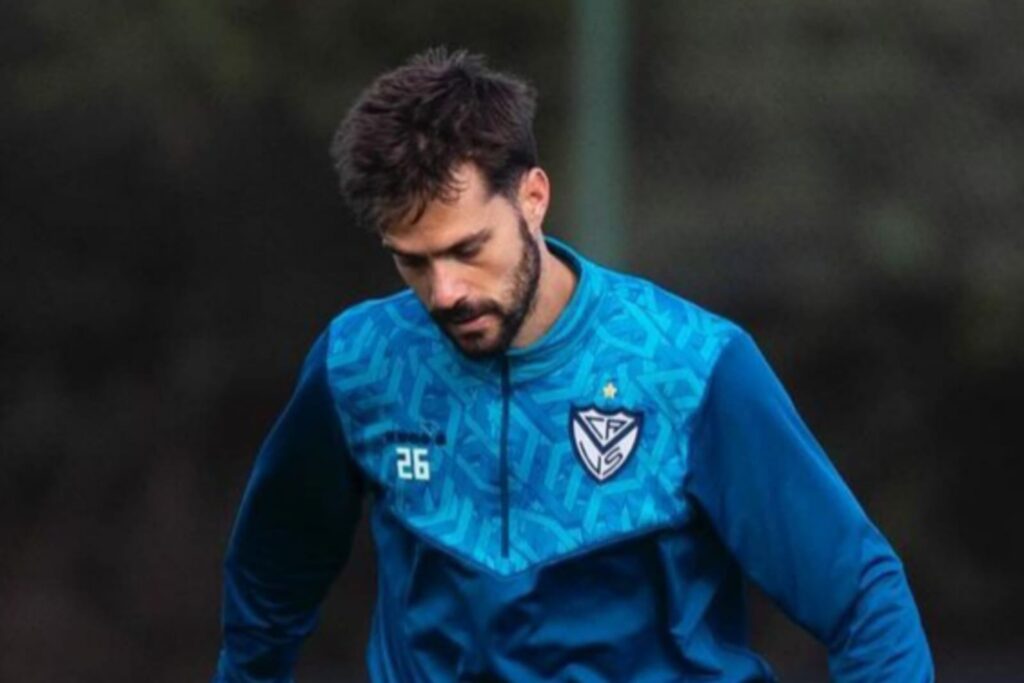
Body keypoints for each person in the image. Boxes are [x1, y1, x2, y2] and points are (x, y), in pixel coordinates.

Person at [213, 47, 933, 682]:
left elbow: (861, 595)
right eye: (413, 261)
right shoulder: (359, 363)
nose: (446, 291)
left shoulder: (689, 365)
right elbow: (271, 574)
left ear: (532, 196)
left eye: (468, 249)